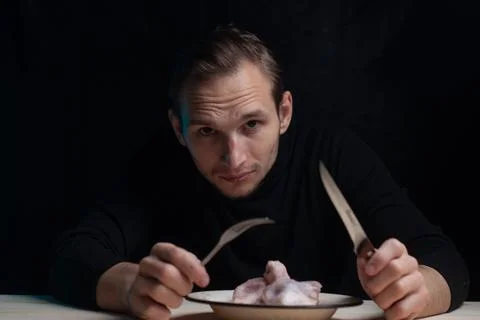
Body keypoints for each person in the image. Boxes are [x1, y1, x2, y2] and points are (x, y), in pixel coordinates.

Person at [49, 25, 469, 320]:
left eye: (252, 124)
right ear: (179, 128)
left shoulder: (333, 155)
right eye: (207, 131)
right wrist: (128, 287)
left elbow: (444, 260)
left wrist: (417, 289)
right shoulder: (161, 164)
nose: (233, 158)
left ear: (283, 112)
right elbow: (72, 257)